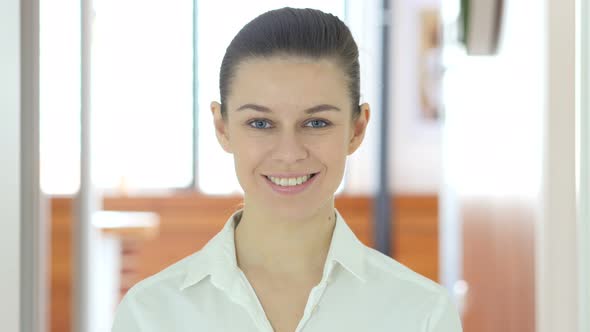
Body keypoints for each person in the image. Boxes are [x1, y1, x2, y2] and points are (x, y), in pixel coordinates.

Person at [112, 7, 462, 332]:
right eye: (261, 123)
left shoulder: (422, 314)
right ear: (222, 128)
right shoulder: (151, 314)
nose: (290, 153)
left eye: (316, 122)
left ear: (356, 130)